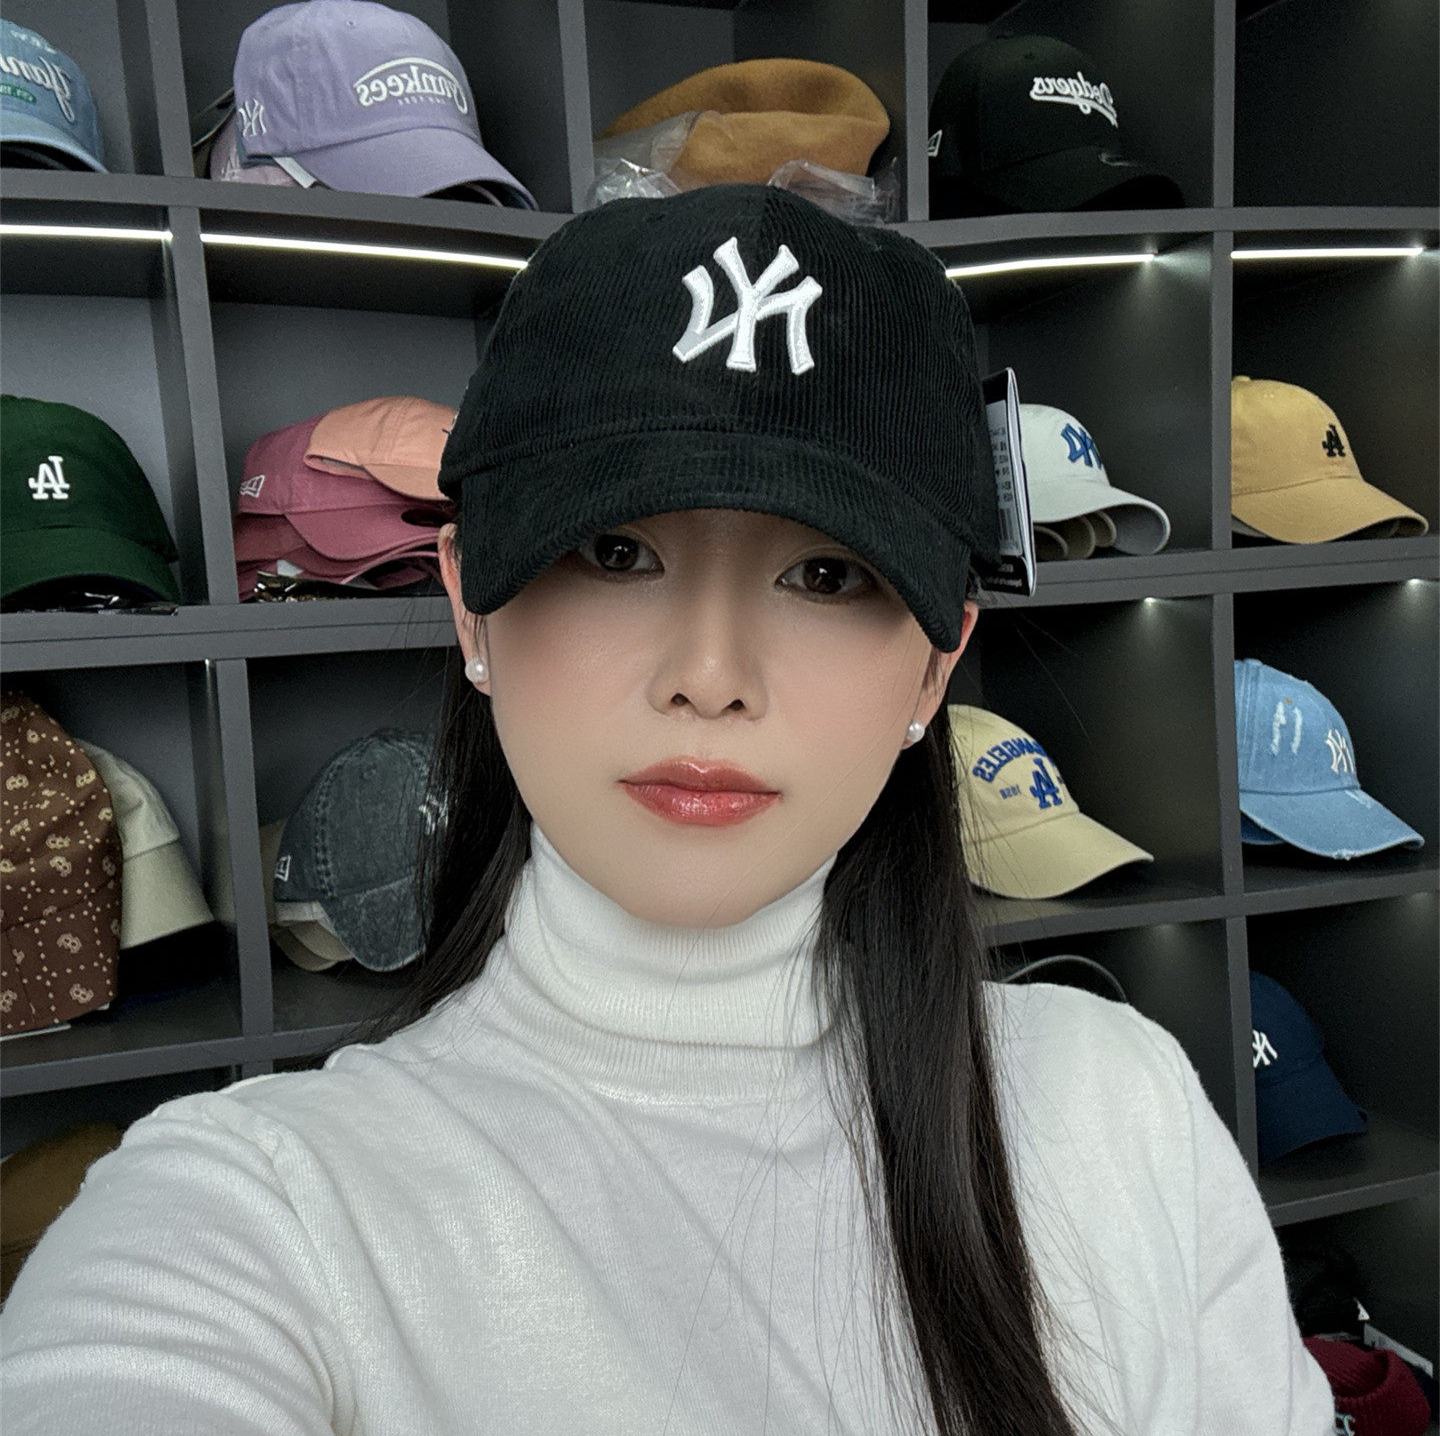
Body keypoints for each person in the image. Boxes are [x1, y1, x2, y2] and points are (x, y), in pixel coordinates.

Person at [0, 184, 1333, 1434]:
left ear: (936, 665)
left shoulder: (1119, 1107)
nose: (708, 675)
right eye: (616, 550)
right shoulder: (254, 1215)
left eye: (826, 574)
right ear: (471, 604)